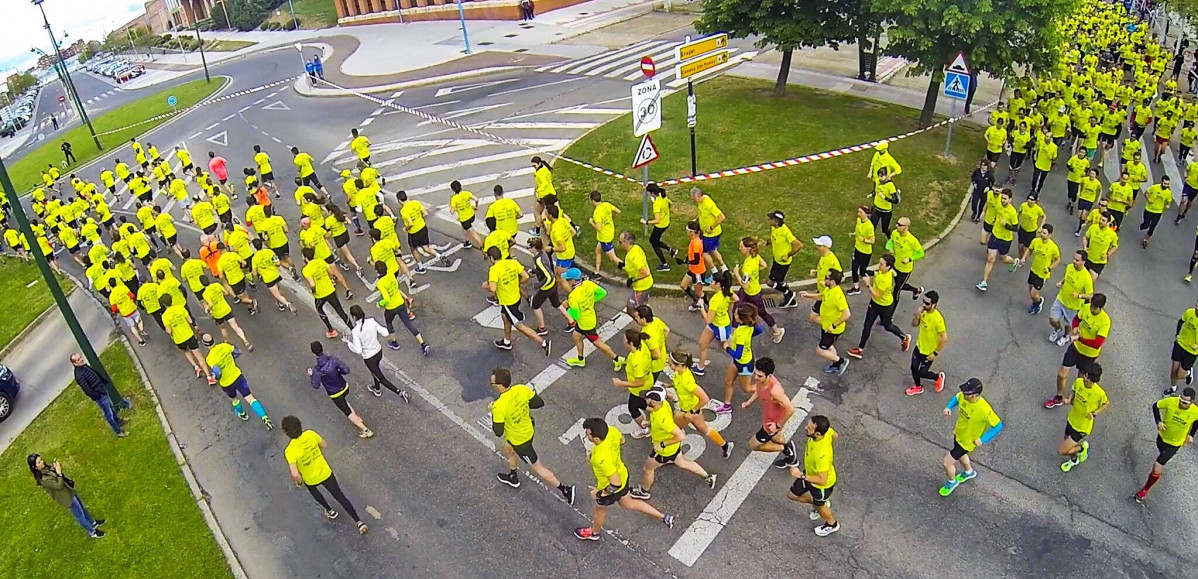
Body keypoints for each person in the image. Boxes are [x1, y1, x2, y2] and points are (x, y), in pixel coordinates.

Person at [573, 417, 675, 541]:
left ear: (596, 439)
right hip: (623, 475)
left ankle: (594, 533)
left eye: (588, 434)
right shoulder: (612, 431)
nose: (586, 435)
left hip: (610, 487)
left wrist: (600, 493)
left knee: (599, 511)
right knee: (628, 502)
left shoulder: (600, 458)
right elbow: (622, 440)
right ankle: (663, 517)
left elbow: (615, 484)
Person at [489, 367, 576, 503]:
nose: (491, 385)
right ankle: (513, 476)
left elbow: (498, 431)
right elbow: (538, 403)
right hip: (528, 429)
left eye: (492, 383)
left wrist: (493, 413)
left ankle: (565, 489)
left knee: (537, 468)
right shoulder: (521, 389)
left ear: (499, 385)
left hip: (521, 442)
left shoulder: (498, 406)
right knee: (508, 449)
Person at [282, 416, 368, 534]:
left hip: (310, 479)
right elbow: (324, 445)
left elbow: (295, 473)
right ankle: (359, 522)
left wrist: (299, 482)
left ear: (286, 432)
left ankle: (330, 510)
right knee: (340, 496)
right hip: (325, 472)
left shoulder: (290, 450)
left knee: (316, 493)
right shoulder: (310, 434)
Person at [628, 386, 717, 499]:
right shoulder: (663, 405)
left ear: (653, 402)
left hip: (664, 451)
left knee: (648, 469)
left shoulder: (662, 420)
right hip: (673, 447)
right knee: (681, 463)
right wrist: (649, 424)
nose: (645, 400)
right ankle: (708, 476)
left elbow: (680, 436)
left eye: (647, 398)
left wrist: (661, 445)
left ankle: (643, 492)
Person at [938, 378, 1003, 496]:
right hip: (959, 434)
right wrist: (948, 407)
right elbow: (957, 397)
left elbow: (998, 425)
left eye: (967, 393)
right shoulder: (963, 396)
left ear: (975, 395)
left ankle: (952, 482)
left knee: (947, 463)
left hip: (968, 442)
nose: (963, 394)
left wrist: (983, 439)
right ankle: (969, 472)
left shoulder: (984, 409)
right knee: (962, 456)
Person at [484, 246, 551, 356]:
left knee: (520, 326)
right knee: (505, 317)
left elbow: (493, 288)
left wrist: (486, 286)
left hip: (507, 302)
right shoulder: (512, 263)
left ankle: (543, 343)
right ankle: (506, 341)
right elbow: (525, 276)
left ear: (491, 258)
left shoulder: (494, 269)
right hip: (516, 298)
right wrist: (516, 284)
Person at [1135, 388, 1198, 503]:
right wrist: (1158, 421)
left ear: (1191, 402)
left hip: (1175, 444)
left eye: (1185, 402)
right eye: (1180, 400)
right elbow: (1155, 406)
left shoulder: (1195, 411)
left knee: (1157, 466)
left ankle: (1144, 491)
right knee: (1160, 451)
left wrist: (1191, 435)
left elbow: (1197, 421)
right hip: (1162, 438)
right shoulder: (1171, 401)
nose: (1181, 403)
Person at [1048, 293, 1110, 409]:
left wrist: (1079, 338)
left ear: (1100, 308)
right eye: (1091, 306)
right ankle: (1059, 397)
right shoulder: (1086, 308)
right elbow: (1077, 318)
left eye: (1095, 308)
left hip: (1089, 355)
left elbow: (1097, 344)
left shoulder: (1105, 321)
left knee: (1081, 379)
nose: (1091, 309)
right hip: (1075, 348)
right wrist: (1075, 326)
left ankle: (1074, 399)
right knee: (1062, 374)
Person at [668, 349, 733, 458]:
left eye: (671, 364)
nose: (670, 366)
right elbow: (678, 385)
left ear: (679, 365)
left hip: (688, 411)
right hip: (690, 411)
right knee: (703, 429)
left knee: (674, 432)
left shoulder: (688, 381)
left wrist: (691, 412)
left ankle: (671, 455)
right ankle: (725, 445)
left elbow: (705, 398)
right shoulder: (679, 374)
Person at [28, 454, 107, 538]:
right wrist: (58, 473)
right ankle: (92, 531)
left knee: (82, 508)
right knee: (80, 515)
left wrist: (56, 469)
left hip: (69, 490)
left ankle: (92, 523)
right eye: (39, 462)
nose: (42, 462)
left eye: (41, 460)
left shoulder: (46, 468)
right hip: (66, 498)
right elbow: (59, 486)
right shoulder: (43, 480)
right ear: (35, 467)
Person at [848, 254, 910, 359]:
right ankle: (860, 349)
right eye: (879, 263)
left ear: (888, 267)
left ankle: (904, 337)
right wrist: (873, 273)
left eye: (881, 264)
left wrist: (868, 284)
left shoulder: (886, 281)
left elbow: (877, 294)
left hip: (885, 306)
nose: (879, 265)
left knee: (887, 326)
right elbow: (885, 274)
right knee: (867, 325)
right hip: (875, 303)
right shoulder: (887, 271)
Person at [345, 305, 410, 402]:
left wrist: (349, 343)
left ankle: (399, 392)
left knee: (380, 377)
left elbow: (358, 350)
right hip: (378, 352)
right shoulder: (371, 321)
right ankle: (377, 389)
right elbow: (385, 333)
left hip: (369, 358)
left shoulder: (355, 331)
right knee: (375, 371)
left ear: (353, 317)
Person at [308, 341, 374, 438]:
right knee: (345, 403)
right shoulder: (333, 360)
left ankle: (365, 429)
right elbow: (346, 370)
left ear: (313, 352)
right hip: (344, 386)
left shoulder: (317, 370)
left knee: (347, 412)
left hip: (335, 394)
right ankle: (357, 418)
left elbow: (315, 385)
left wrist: (311, 375)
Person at [788, 414, 839, 537]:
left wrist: (801, 475)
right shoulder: (826, 432)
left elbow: (822, 480)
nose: (806, 428)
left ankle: (832, 524)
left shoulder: (821, 455)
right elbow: (835, 436)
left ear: (818, 434)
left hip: (821, 486)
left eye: (810, 428)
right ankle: (818, 504)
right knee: (792, 495)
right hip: (809, 473)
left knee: (820, 506)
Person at [741, 357, 799, 466]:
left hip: (771, 424)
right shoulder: (762, 381)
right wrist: (749, 402)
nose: (756, 378)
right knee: (776, 437)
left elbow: (790, 409)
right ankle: (788, 448)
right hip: (767, 418)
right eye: (755, 374)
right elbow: (759, 390)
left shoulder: (775, 391)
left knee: (753, 445)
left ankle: (785, 449)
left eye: (759, 376)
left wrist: (777, 425)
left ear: (769, 376)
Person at [205, 337, 273, 429]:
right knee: (250, 398)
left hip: (227, 383)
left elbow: (218, 372)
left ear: (205, 345)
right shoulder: (224, 346)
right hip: (237, 376)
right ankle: (264, 417)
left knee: (234, 399)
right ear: (213, 340)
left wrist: (215, 378)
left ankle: (242, 414)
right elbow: (237, 352)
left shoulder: (210, 358)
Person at [562, 268, 623, 369]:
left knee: (599, 344)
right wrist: (590, 302)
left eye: (567, 280)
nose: (566, 282)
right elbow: (603, 293)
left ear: (572, 281)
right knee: (576, 336)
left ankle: (617, 359)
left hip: (585, 324)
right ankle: (580, 359)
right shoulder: (588, 284)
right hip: (589, 318)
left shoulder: (573, 296)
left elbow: (576, 316)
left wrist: (567, 307)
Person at [734, 236, 786, 343]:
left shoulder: (748, 266)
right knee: (736, 307)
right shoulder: (755, 256)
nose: (739, 248)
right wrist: (754, 271)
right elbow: (764, 265)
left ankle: (777, 330)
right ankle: (734, 332)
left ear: (748, 249)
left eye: (741, 247)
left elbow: (745, 285)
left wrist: (736, 274)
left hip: (752, 293)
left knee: (761, 312)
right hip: (752, 290)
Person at [1059, 362, 1109, 472]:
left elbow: (1106, 404)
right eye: (1085, 375)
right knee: (1067, 444)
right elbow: (1074, 391)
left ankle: (1082, 448)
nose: (1085, 379)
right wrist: (1069, 399)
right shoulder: (1079, 382)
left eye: (1088, 378)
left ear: (1094, 380)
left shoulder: (1099, 393)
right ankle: (1074, 460)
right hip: (1072, 418)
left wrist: (1094, 413)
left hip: (1082, 426)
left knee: (1062, 451)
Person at [372, 258, 427, 354]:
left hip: (391, 307)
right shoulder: (390, 274)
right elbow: (396, 288)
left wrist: (380, 303)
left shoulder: (380, 283)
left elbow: (386, 298)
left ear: (377, 271)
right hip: (400, 303)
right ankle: (423, 344)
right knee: (408, 324)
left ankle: (394, 342)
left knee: (389, 322)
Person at [71, 353, 130, 437]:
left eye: (80, 357)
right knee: (108, 413)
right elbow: (87, 390)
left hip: (102, 390)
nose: (81, 360)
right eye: (78, 359)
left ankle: (118, 421)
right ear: (74, 363)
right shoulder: (79, 375)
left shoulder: (83, 366)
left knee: (110, 408)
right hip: (100, 395)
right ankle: (118, 431)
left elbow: (94, 374)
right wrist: (98, 395)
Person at [612, 329, 656, 439]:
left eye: (624, 339)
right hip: (648, 380)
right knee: (644, 402)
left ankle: (645, 429)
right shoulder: (642, 346)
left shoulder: (637, 362)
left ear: (630, 343)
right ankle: (653, 409)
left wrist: (621, 383)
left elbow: (639, 382)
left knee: (633, 408)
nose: (623, 340)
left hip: (640, 389)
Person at [526, 238, 572, 337]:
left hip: (547, 286)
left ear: (534, 248)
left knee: (535, 305)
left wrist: (537, 285)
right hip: (553, 283)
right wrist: (534, 271)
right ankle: (571, 321)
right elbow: (546, 268)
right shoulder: (543, 253)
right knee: (556, 304)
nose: (528, 249)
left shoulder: (538, 260)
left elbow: (548, 276)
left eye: (529, 247)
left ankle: (542, 328)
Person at [302, 248, 352, 339]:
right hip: (330, 290)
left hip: (320, 294)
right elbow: (331, 272)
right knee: (340, 310)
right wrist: (331, 279)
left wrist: (313, 291)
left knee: (319, 309)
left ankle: (331, 330)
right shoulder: (321, 261)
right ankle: (352, 327)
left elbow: (312, 284)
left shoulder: (306, 270)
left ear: (305, 258)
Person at [1048, 251, 1094, 348]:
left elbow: (1090, 295)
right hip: (1061, 299)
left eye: (1077, 260)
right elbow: (1066, 277)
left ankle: (1065, 336)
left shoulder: (1086, 277)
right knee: (1053, 319)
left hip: (1072, 306)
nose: (1074, 261)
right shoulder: (1069, 267)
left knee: (1068, 324)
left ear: (1083, 262)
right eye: (1074, 259)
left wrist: (1079, 295)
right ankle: (1057, 329)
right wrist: (1061, 282)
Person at [976, 189, 1018, 292]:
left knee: (1003, 259)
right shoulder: (998, 204)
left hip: (1006, 239)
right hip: (995, 236)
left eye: (1005, 199)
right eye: (1002, 198)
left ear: (1010, 200)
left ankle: (1014, 261)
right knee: (991, 259)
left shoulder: (1012, 212)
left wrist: (1006, 225)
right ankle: (984, 282)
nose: (1003, 200)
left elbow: (1016, 228)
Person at [906, 290, 947, 396]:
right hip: (919, 346)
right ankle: (918, 387)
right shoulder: (922, 312)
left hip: (929, 351)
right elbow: (914, 324)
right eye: (923, 301)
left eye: (927, 303)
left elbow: (944, 338)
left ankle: (938, 377)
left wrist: (935, 353)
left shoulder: (938, 319)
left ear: (934, 305)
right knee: (914, 367)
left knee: (922, 372)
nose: (924, 305)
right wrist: (917, 316)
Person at [722, 303, 761, 412]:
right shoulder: (749, 326)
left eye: (736, 313)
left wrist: (727, 348)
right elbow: (759, 330)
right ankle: (727, 405)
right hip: (738, 361)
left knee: (747, 389)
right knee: (728, 381)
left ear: (741, 317)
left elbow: (738, 354)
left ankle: (768, 391)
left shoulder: (740, 333)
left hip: (744, 364)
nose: (734, 314)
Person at [813, 269, 851, 375]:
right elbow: (822, 296)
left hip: (832, 329)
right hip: (826, 325)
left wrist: (833, 326)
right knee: (828, 346)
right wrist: (808, 296)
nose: (825, 280)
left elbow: (847, 314)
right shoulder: (829, 289)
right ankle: (836, 364)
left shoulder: (838, 296)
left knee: (820, 350)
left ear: (833, 281)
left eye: (827, 278)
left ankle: (841, 361)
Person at [1023, 224, 1060, 315]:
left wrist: (1050, 268)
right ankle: (1035, 302)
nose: (1042, 234)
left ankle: (1039, 302)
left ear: (1049, 235)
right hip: (1033, 270)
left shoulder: (1053, 247)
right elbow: (1029, 250)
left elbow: (1057, 260)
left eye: (1044, 233)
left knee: (1033, 294)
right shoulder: (1035, 241)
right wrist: (1023, 258)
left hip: (1042, 274)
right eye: (1041, 232)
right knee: (1031, 291)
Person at [1166, 300, 1198, 396]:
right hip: (1180, 345)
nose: (1197, 308)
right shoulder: (1189, 312)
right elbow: (1181, 321)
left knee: (1179, 374)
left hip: (1191, 352)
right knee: (1173, 370)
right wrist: (1177, 335)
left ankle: (1188, 373)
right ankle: (1173, 388)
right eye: (1197, 305)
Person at [691, 187, 727, 271]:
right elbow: (703, 214)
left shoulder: (708, 204)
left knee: (703, 252)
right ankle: (724, 268)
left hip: (711, 234)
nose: (693, 200)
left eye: (694, 199)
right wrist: (697, 220)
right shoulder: (701, 201)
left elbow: (721, 217)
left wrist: (711, 227)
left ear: (699, 196)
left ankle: (714, 271)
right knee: (713, 250)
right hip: (712, 233)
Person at [589, 191, 621, 273]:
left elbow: (598, 228)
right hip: (609, 232)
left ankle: (627, 267)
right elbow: (618, 211)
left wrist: (592, 222)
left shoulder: (597, 213)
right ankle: (597, 271)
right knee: (598, 251)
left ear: (592, 201)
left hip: (604, 237)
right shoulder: (607, 204)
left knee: (613, 258)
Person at [678, 221, 706, 311]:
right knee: (683, 285)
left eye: (687, 230)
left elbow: (696, 260)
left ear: (692, 232)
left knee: (699, 293)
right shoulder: (693, 240)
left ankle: (709, 307)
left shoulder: (697, 243)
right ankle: (696, 301)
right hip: (693, 270)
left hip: (698, 272)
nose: (686, 232)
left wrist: (684, 262)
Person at [846, 206, 874, 296]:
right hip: (857, 249)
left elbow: (872, 241)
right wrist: (854, 234)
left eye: (860, 212)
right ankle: (856, 288)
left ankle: (877, 274)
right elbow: (858, 231)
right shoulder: (858, 220)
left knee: (862, 271)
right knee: (854, 268)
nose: (858, 214)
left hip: (865, 252)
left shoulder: (869, 226)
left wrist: (863, 240)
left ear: (866, 214)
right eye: (858, 212)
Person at [1140, 176, 1173, 248]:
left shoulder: (1168, 193)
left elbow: (1169, 201)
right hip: (1149, 209)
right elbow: (1146, 193)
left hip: (1158, 212)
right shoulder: (1154, 187)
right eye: (1165, 183)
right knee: (1146, 225)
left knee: (1152, 227)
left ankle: (1145, 240)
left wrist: (1168, 205)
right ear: (1161, 182)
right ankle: (1144, 225)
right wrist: (1148, 200)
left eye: (1167, 184)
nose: (1166, 185)